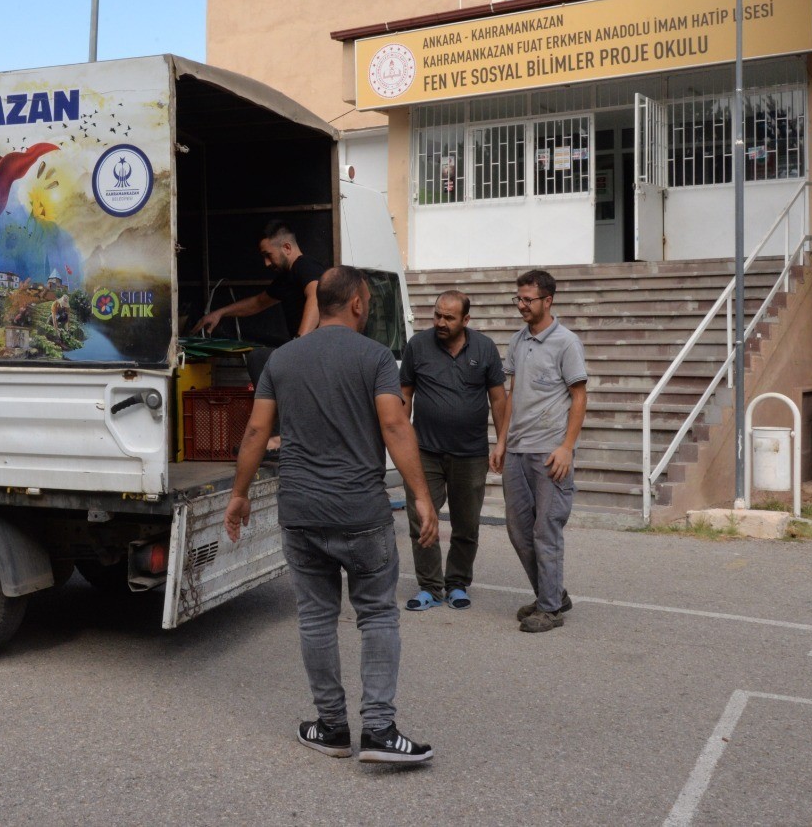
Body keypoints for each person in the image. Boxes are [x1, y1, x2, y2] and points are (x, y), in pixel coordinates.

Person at [224, 265, 439, 764]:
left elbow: (256, 432)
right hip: (360, 512)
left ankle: (333, 728)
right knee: (378, 613)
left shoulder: (282, 359)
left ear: (321, 303)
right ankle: (381, 731)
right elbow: (394, 424)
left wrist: (239, 494)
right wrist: (422, 496)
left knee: (317, 618)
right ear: (359, 303)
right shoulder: (377, 357)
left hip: (300, 510)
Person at [398, 290, 509, 612]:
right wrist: (400, 441)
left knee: (466, 523)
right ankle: (430, 587)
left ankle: (457, 582)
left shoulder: (484, 348)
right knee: (422, 519)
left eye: (448, 318)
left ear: (465, 320)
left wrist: (501, 442)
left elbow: (499, 399)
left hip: (470, 453)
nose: (440, 322)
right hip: (424, 452)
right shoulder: (418, 346)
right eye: (437, 315)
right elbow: (405, 395)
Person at [501, 269, 588, 634]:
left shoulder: (567, 342)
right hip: (517, 451)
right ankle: (552, 593)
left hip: (550, 453)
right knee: (519, 531)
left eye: (528, 299)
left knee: (545, 530)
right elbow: (511, 393)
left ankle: (550, 608)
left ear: (548, 300)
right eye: (518, 299)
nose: (521, 305)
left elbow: (579, 396)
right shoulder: (519, 341)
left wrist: (567, 447)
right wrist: (501, 441)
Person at [191, 220, 326, 385]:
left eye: (268, 255)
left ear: (287, 248)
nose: (266, 263)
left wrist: (299, 342)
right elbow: (258, 302)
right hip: (302, 354)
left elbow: (316, 295)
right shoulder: (286, 278)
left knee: (257, 358)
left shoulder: (305, 265)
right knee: (259, 359)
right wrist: (220, 313)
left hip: (318, 355)